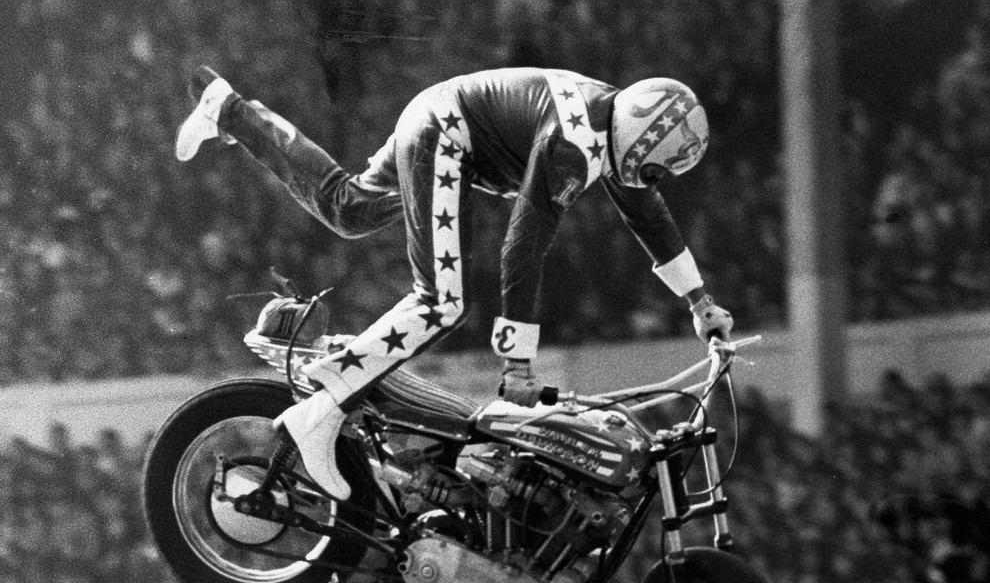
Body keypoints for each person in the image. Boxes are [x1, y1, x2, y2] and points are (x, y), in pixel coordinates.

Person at [176, 65, 733, 499]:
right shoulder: (574, 143)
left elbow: (648, 217)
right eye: (657, 167)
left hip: (440, 117)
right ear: (642, 139)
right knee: (442, 302)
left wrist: (700, 301)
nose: (655, 180)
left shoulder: (611, 120)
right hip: (449, 134)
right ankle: (323, 408)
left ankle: (228, 110)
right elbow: (523, 244)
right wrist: (517, 363)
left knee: (349, 208)